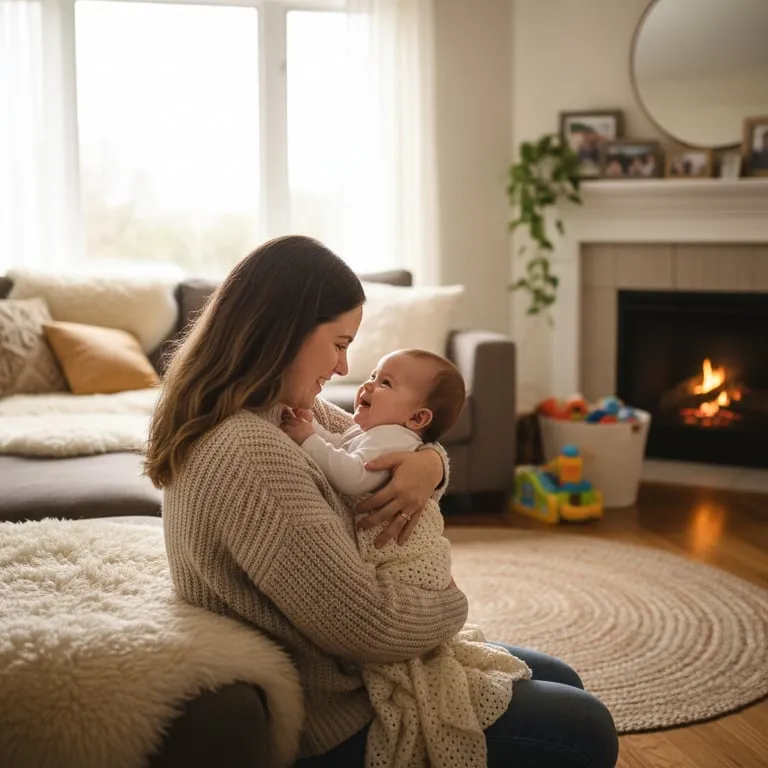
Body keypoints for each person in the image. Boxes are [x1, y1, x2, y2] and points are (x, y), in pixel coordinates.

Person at [145, 235, 619, 767]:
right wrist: (452, 603)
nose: (343, 367)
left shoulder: (277, 409)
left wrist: (431, 464)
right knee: (588, 729)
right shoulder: (247, 450)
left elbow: (388, 444)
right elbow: (366, 626)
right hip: (337, 709)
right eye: (338, 343)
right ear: (286, 332)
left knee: (562, 677)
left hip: (354, 671)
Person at [282, 348, 531, 767]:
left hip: (406, 559)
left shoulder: (390, 438)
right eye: (374, 375)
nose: (365, 383)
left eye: (385, 383)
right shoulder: (377, 433)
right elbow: (343, 450)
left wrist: (307, 436)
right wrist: (314, 432)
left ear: (417, 418)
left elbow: (351, 474)